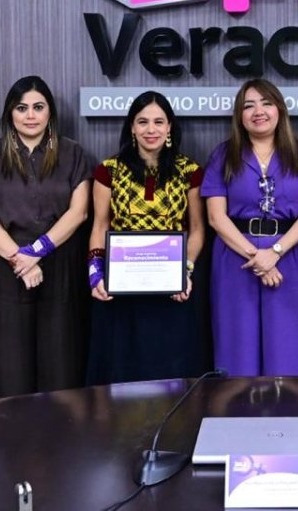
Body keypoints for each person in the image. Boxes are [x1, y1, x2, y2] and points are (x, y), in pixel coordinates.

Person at [0, 76, 94, 400]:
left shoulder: (73, 154)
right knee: (6, 365)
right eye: (21, 108)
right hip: (4, 268)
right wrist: (20, 260)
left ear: (50, 112)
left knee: (60, 362)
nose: (30, 115)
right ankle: (5, 431)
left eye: (38, 107)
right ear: (9, 113)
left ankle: (60, 430)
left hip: (59, 264)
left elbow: (79, 212)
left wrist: (37, 251)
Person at [202, 80, 298, 376]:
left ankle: (284, 405)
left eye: (266, 103)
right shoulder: (223, 155)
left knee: (286, 347)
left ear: (279, 109)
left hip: (288, 258)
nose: (259, 111)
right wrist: (257, 257)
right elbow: (216, 217)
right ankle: (236, 405)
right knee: (236, 347)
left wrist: (275, 253)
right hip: (236, 258)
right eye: (249, 105)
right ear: (239, 115)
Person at [86, 91, 207, 384]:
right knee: (122, 372)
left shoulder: (189, 171)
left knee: (171, 372)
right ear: (132, 127)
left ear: (169, 127)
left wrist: (185, 271)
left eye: (158, 122)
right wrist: (95, 274)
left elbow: (197, 229)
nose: (150, 129)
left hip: (172, 289)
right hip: (121, 289)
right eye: (142, 122)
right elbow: (100, 225)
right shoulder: (108, 170)